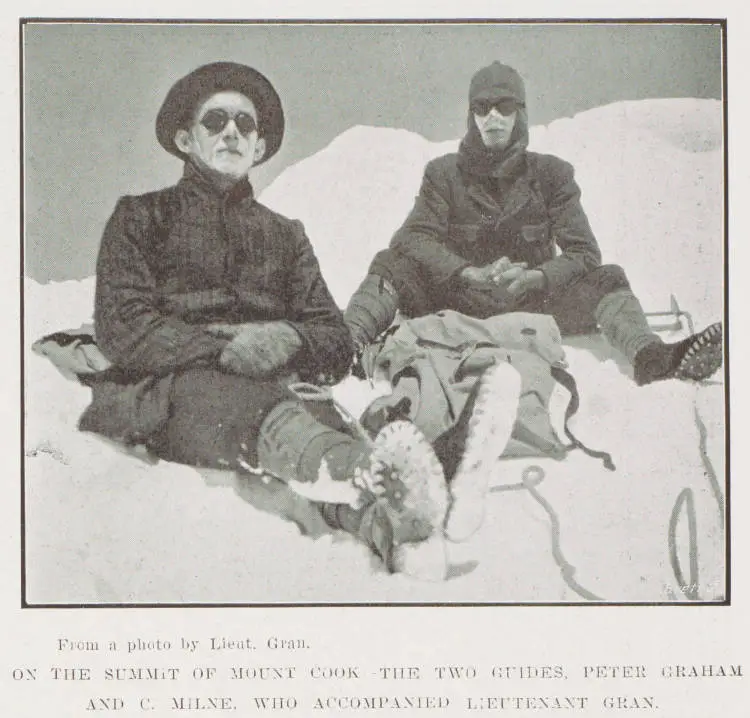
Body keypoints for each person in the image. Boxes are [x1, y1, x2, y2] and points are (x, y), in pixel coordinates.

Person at [76, 61, 453, 581]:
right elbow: (124, 324)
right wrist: (220, 351)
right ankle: (370, 473)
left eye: (246, 125)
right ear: (186, 139)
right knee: (274, 418)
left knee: (312, 420)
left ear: (258, 148)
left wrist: (288, 336)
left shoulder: (285, 235)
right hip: (178, 392)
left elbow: (335, 342)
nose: (232, 131)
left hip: (284, 391)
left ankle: (393, 532)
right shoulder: (142, 217)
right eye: (215, 121)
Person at [344, 61, 723, 388]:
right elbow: (412, 238)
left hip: (533, 304)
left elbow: (584, 253)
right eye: (482, 106)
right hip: (457, 301)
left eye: (503, 106)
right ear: (471, 115)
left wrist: (537, 278)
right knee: (390, 262)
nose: (492, 116)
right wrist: (466, 272)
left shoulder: (553, 175)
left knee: (608, 277)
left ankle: (652, 358)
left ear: (519, 112)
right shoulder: (443, 174)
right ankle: (342, 348)